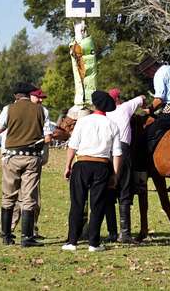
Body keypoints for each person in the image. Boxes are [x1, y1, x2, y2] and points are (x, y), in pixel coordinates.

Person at [62, 91, 122, 252]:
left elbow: (73, 146)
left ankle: (72, 241)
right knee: (97, 205)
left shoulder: (83, 122)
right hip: (101, 166)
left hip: (82, 164)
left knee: (77, 203)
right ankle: (93, 243)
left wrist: (68, 165)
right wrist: (115, 174)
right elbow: (116, 153)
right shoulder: (112, 125)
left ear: (95, 105)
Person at [0, 82, 48, 247]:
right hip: (32, 157)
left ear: (15, 96)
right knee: (28, 197)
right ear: (29, 94)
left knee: (9, 195)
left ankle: (6, 236)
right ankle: (26, 237)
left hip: (12, 157)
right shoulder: (42, 110)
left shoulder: (8, 109)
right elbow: (48, 136)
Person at [136, 55, 170, 193]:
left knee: (145, 138)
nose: (147, 75)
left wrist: (148, 110)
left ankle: (145, 174)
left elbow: (159, 99)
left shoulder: (159, 74)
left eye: (146, 72)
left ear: (151, 67)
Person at [10, 88, 53, 239]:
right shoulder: (16, 110)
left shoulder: (42, 111)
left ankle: (31, 230)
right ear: (30, 96)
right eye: (38, 97)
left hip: (34, 159)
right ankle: (11, 228)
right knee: (17, 196)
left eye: (42, 98)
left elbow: (48, 137)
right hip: (21, 157)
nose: (41, 100)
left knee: (33, 197)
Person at [105, 88, 145, 243]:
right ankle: (125, 233)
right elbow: (141, 97)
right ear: (118, 99)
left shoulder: (105, 114)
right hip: (123, 150)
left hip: (107, 152)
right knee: (125, 189)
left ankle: (112, 233)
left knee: (109, 191)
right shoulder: (125, 107)